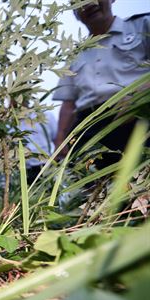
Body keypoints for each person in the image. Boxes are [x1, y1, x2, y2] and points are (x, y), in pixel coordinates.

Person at [53, 0, 149, 169]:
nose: (89, 4)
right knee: (93, 189)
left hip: (138, 119)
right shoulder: (74, 55)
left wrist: (137, 97)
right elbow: (68, 103)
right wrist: (60, 140)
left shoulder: (142, 26)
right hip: (88, 130)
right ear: (74, 11)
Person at [19, 111, 57, 184]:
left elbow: (58, 140)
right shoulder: (8, 123)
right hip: (22, 170)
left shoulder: (46, 115)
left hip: (47, 165)